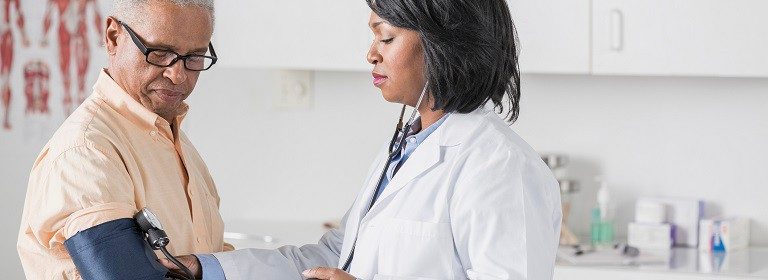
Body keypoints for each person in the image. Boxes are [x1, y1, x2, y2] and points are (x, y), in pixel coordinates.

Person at [166, 0, 562, 279]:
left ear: (443, 44)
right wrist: (208, 268)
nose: (370, 54)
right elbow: (336, 256)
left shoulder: (499, 166)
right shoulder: (407, 149)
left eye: (386, 37)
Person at [17, 0, 230, 279]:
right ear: (113, 37)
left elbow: (214, 261)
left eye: (193, 57)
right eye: (160, 53)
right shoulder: (86, 151)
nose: (177, 75)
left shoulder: (174, 142)